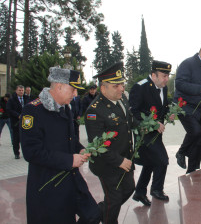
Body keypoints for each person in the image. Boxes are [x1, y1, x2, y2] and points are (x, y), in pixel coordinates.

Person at [20, 67, 101, 224]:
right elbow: (31, 152)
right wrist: (69, 160)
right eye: (73, 90)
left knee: (94, 215)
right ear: (59, 86)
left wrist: (81, 149)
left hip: (72, 181)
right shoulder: (32, 111)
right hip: (49, 185)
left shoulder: (66, 108)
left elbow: (70, 140)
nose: (75, 94)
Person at [85, 62, 138, 224]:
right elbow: (98, 146)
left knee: (129, 190)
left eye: (121, 84)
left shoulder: (122, 100)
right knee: (114, 200)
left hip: (126, 159)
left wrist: (147, 126)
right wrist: (119, 161)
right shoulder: (94, 111)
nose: (121, 88)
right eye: (116, 86)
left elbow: (130, 122)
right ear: (103, 88)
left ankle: (94, 215)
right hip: (108, 164)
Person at [129, 60, 173, 206]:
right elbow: (134, 112)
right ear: (153, 74)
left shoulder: (163, 88)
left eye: (167, 76)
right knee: (162, 160)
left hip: (156, 134)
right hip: (144, 133)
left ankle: (140, 192)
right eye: (163, 76)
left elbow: (162, 107)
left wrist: (169, 114)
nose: (166, 79)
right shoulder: (140, 87)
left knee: (150, 163)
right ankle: (156, 190)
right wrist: (153, 123)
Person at [174, 43, 201, 173]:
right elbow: (180, 84)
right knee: (196, 132)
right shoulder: (187, 64)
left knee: (200, 141)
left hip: (200, 110)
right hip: (184, 107)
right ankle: (181, 153)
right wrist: (200, 88)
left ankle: (192, 170)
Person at [7, 85, 29, 159]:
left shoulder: (27, 98)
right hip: (16, 121)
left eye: (22, 90)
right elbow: (9, 110)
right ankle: (16, 153)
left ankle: (26, 152)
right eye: (19, 90)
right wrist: (18, 115)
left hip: (26, 121)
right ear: (16, 91)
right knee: (16, 138)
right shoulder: (12, 100)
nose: (21, 92)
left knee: (26, 138)